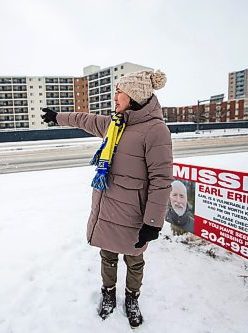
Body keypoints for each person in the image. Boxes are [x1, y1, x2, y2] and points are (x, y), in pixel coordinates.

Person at [41, 70, 173, 328]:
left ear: (133, 96)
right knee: (107, 254)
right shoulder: (116, 123)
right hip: (108, 205)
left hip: (135, 214)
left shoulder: (156, 130)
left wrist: (153, 222)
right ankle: (108, 293)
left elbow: (161, 180)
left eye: (119, 92)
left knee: (134, 260)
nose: (115, 97)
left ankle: (132, 298)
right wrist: (58, 117)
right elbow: (85, 120)